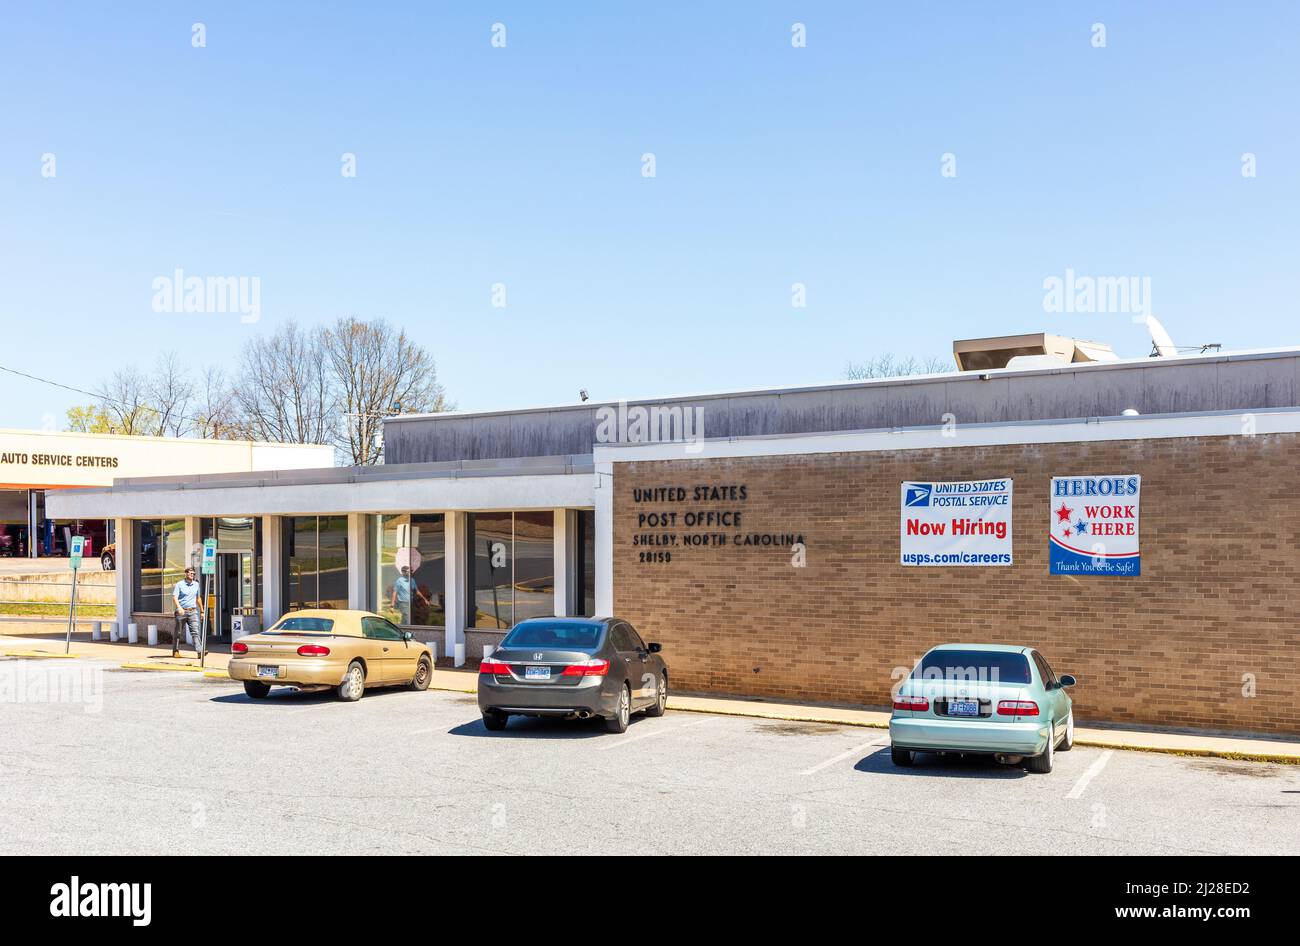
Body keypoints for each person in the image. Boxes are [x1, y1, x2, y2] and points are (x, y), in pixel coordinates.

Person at [172, 566, 205, 656]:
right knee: (178, 632)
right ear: (186, 574)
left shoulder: (196, 585)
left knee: (195, 631)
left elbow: (198, 598)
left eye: (193, 574)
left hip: (193, 611)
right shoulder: (179, 584)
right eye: (190, 573)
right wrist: (179, 608)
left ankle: (200, 652)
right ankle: (175, 651)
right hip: (181, 612)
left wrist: (202, 611)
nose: (192, 575)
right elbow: (174, 598)